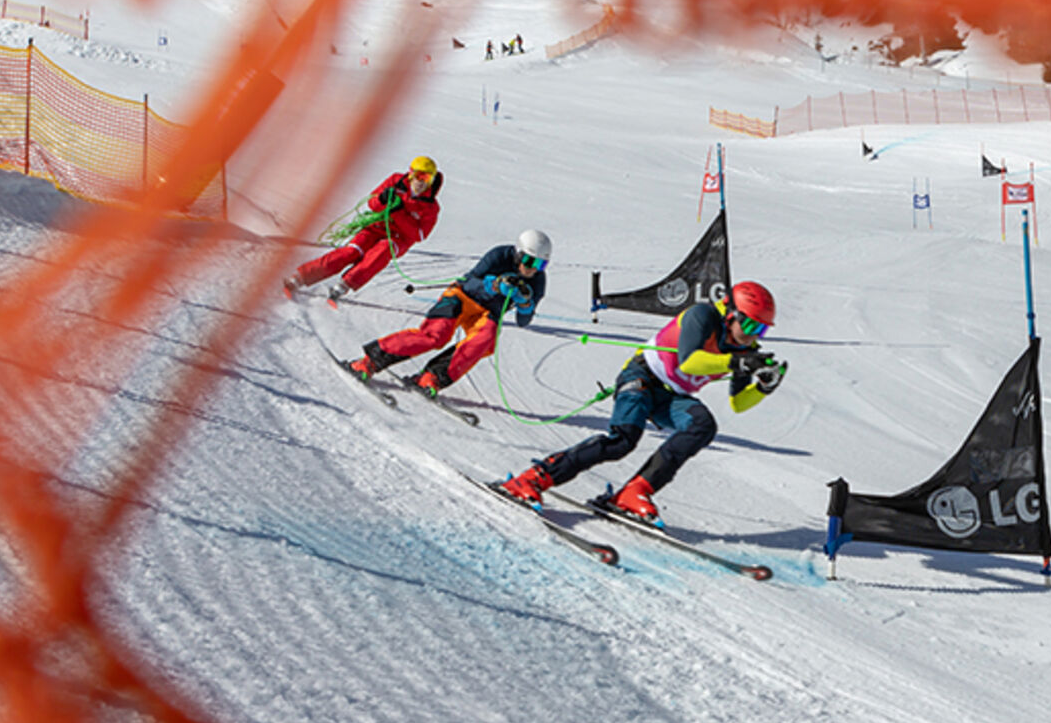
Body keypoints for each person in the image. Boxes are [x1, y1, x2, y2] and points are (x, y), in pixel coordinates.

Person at [497, 281, 786, 520]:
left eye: (760, 330)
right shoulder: (704, 316)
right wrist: (738, 363)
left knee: (702, 426)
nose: (752, 337)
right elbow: (689, 362)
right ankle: (535, 477)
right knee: (623, 440)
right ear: (731, 313)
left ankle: (634, 491)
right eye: (749, 326)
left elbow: (738, 403)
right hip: (642, 376)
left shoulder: (743, 351)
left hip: (671, 395)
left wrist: (763, 387)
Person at [345, 230, 552, 396]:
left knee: (484, 341)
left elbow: (523, 321)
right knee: (436, 335)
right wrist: (494, 286)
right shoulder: (499, 256)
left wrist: (526, 304)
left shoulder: (538, 281)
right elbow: (470, 282)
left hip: (487, 313)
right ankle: (369, 361)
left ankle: (431, 376)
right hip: (462, 297)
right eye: (529, 260)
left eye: (540, 264)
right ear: (518, 253)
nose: (532, 269)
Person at [285, 156, 443, 303]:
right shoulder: (396, 181)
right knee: (351, 252)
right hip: (375, 228)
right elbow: (372, 203)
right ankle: (301, 276)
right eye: (419, 176)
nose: (421, 182)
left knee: (381, 251)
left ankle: (345, 285)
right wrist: (381, 199)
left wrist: (398, 212)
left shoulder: (431, 206)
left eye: (427, 178)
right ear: (410, 174)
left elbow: (420, 235)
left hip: (398, 239)